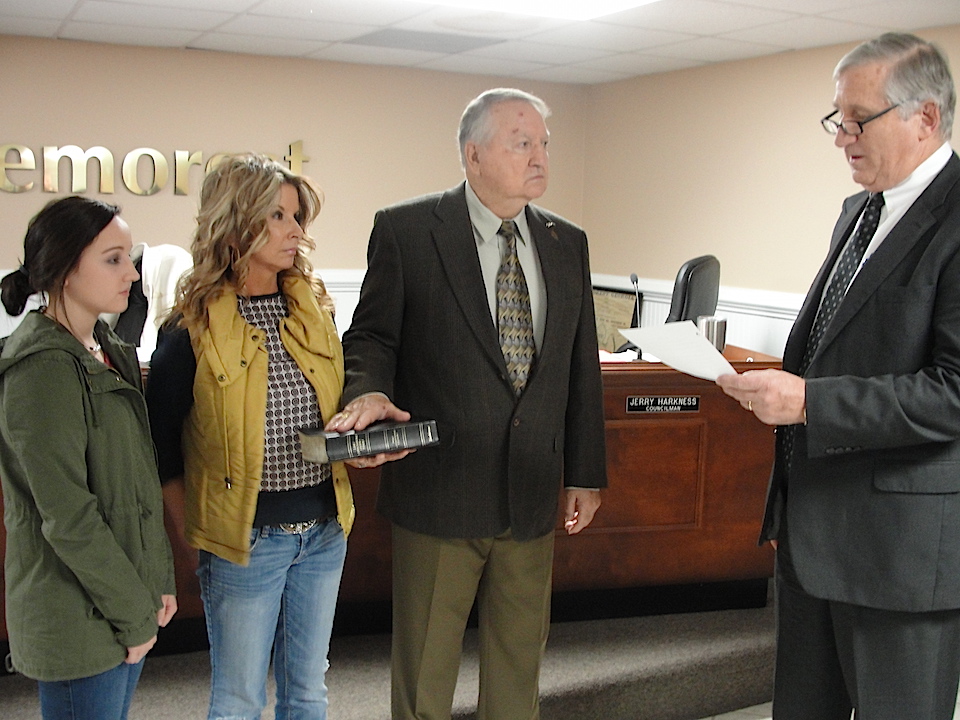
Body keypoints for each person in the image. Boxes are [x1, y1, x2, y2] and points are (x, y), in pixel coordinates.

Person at [325, 88, 607, 720]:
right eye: (521, 142)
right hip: (439, 493)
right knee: (426, 674)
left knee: (518, 671)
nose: (539, 157)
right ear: (473, 154)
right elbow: (372, 335)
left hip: (532, 493)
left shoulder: (568, 242)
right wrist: (367, 388)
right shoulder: (407, 231)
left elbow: (578, 362)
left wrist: (586, 473)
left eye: (544, 143)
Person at [717, 33, 960, 720]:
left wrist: (808, 403)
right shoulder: (858, 212)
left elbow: (954, 391)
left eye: (858, 119)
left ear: (926, 119)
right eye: (837, 119)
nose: (841, 137)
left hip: (900, 558)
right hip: (810, 539)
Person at [146, 153, 354, 720]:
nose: (296, 231)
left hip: (324, 531)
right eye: (279, 217)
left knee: (309, 691)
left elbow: (329, 408)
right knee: (238, 699)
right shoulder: (190, 328)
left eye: (296, 216)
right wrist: (197, 544)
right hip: (245, 543)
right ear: (237, 223)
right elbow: (161, 449)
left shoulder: (312, 309)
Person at [0, 196, 177, 720]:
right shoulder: (41, 370)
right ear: (64, 271)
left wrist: (158, 579)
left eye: (130, 256)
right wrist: (133, 613)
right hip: (77, 613)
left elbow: (138, 484)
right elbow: (69, 516)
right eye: (113, 258)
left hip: (122, 602)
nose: (132, 272)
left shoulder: (108, 348)